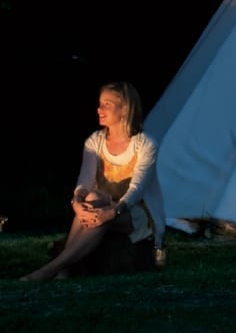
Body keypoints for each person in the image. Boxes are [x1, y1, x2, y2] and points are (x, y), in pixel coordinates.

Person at [22, 82, 160, 281]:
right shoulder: (95, 141)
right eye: (99, 104)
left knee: (97, 207)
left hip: (131, 212)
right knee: (93, 197)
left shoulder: (145, 144)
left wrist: (111, 212)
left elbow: (136, 190)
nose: (99, 109)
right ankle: (63, 271)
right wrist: (76, 202)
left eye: (107, 104)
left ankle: (52, 270)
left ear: (125, 109)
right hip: (98, 204)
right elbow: (84, 181)